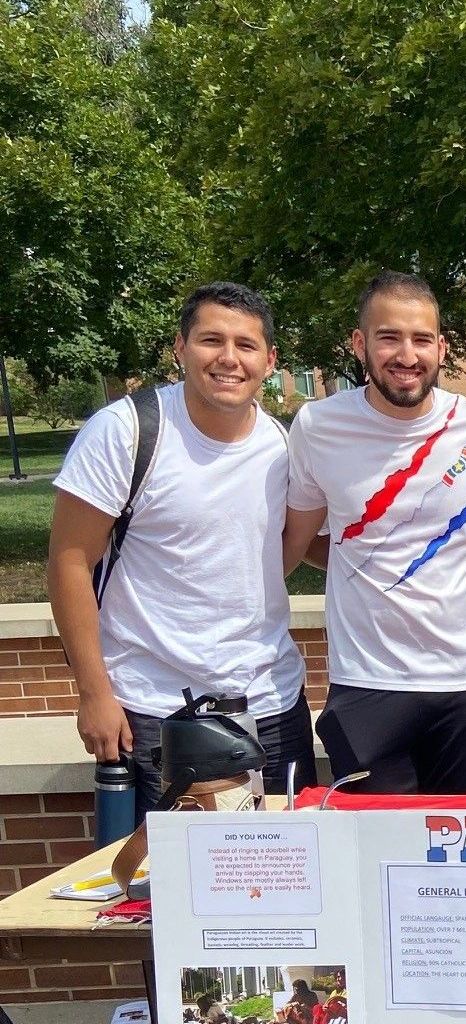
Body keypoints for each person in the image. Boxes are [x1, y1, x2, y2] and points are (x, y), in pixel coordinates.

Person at [48, 282, 316, 823]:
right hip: (154, 709)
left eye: (246, 345)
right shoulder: (126, 432)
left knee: (287, 867)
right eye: (211, 340)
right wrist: (94, 692)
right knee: (165, 873)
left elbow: (276, 556)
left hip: (271, 703)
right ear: (180, 347)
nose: (229, 358)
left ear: (269, 361)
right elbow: (69, 562)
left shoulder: (283, 446)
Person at [281, 271, 466, 795]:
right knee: (375, 841)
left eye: (421, 339)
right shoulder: (318, 427)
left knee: (464, 840)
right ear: (360, 344)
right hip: (367, 680)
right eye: (389, 337)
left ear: (441, 347)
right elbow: (293, 543)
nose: (407, 355)